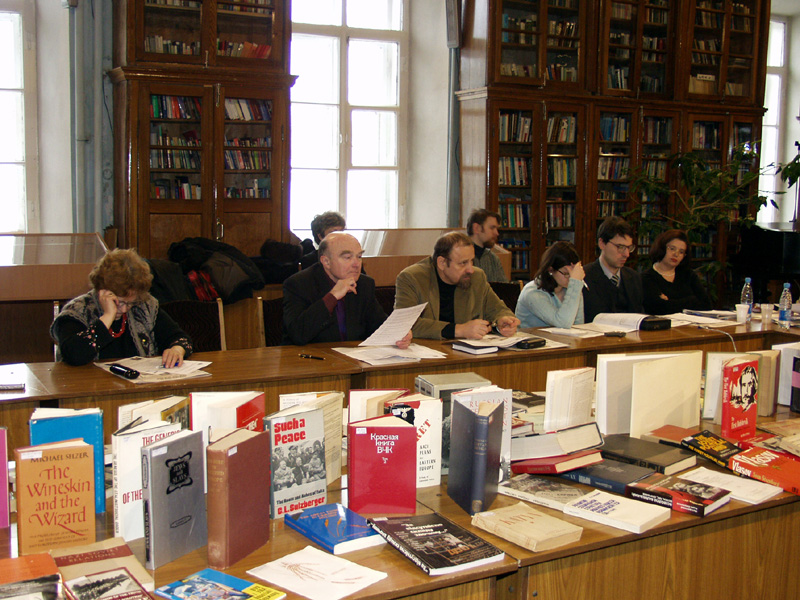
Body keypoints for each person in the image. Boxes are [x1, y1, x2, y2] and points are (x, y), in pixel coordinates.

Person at [51, 248, 193, 367]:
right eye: (119, 302)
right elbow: (74, 355)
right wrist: (107, 317)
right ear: (102, 290)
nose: (125, 309)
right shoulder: (78, 311)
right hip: (89, 388)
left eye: (130, 303)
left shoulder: (144, 306)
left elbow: (180, 338)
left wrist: (177, 349)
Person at [282, 232, 411, 346]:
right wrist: (332, 296)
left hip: (352, 359)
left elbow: (378, 324)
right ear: (326, 262)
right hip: (310, 360)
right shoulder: (299, 284)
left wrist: (398, 333)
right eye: (348, 257)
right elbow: (298, 334)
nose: (356, 264)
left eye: (359, 257)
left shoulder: (364, 284)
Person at [394, 231, 520, 339]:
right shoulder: (412, 278)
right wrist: (459, 330)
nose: (470, 269)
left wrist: (503, 320)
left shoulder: (477, 277)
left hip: (466, 353)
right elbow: (403, 324)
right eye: (463, 263)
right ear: (442, 263)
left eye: (472, 261)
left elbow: (497, 309)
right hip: (425, 353)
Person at [583, 216, 644, 322]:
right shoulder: (584, 278)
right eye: (620, 247)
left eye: (629, 248)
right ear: (602, 243)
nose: (626, 254)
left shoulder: (634, 277)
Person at [642, 229, 712, 315]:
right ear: (662, 247)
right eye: (672, 249)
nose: (676, 254)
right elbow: (658, 309)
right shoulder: (647, 277)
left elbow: (706, 305)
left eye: (681, 252)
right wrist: (691, 300)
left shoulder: (689, 275)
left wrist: (670, 302)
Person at [516, 241, 585, 328]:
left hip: (560, 337)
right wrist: (575, 284)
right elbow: (563, 323)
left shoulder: (572, 287)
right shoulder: (533, 292)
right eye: (566, 273)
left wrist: (575, 285)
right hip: (531, 336)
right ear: (550, 269)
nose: (571, 278)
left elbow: (579, 325)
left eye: (574, 273)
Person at [466, 208, 508, 282]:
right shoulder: (460, 258)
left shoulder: (493, 259)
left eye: (496, 229)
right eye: (492, 228)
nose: (497, 233)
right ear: (476, 228)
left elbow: (504, 287)